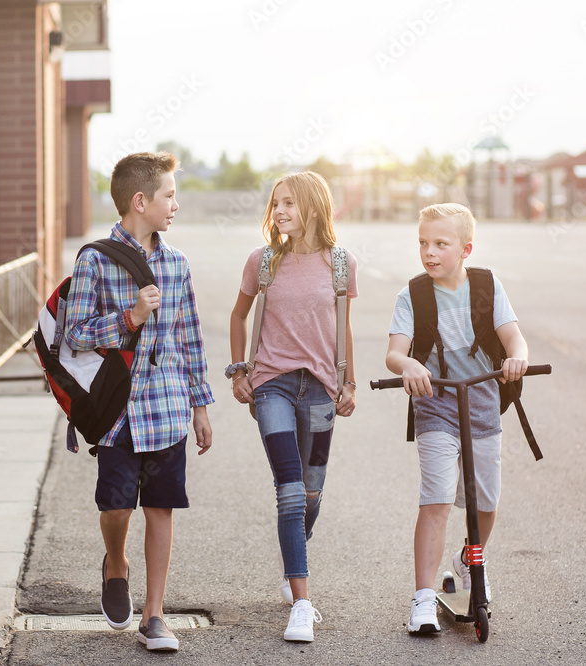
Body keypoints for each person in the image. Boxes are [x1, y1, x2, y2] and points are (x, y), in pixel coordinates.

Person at [64, 151, 214, 653]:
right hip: (119, 412)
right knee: (116, 507)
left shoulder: (177, 264)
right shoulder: (96, 260)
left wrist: (200, 404)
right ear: (140, 201)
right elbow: (75, 334)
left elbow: (190, 336)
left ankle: (155, 614)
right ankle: (116, 563)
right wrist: (128, 318)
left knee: (161, 507)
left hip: (168, 406)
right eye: (169, 195)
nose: (176, 204)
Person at [384, 203, 529, 634]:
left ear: (465, 249)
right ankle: (423, 598)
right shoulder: (412, 295)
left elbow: (514, 337)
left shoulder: (486, 286)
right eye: (423, 243)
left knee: (486, 504)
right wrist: (407, 365)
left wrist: (518, 359)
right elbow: (395, 351)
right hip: (436, 405)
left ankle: (469, 558)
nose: (429, 252)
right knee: (437, 500)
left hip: (483, 404)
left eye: (440, 244)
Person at [228, 171, 358, 643]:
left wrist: (350, 382)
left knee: (311, 493)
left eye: (289, 203)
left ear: (314, 208)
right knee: (288, 489)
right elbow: (239, 315)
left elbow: (343, 326)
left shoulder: (341, 264)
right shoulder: (263, 261)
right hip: (272, 387)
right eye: (275, 203)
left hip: (321, 389)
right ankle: (302, 602)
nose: (280, 211)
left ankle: (291, 562)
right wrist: (239, 371)